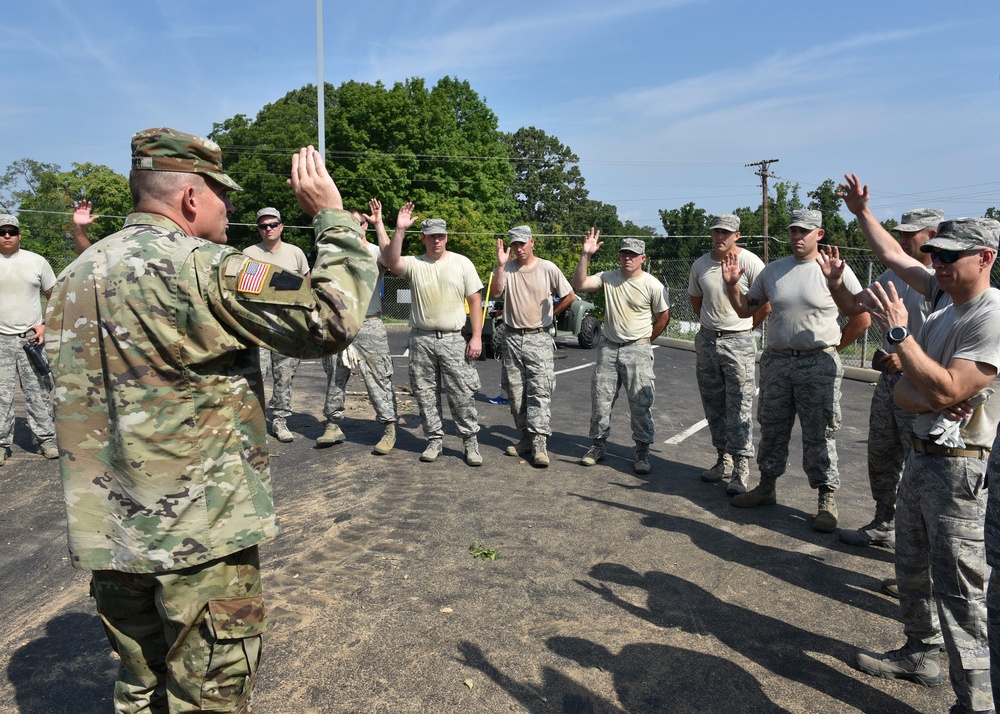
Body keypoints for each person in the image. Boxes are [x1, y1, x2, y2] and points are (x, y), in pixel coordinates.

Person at [45, 128, 376, 712]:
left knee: (138, 690)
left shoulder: (76, 274)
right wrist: (334, 220)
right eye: (224, 196)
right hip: (197, 540)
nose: (232, 211)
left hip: (112, 536)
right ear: (191, 199)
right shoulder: (208, 268)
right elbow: (330, 318)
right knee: (207, 697)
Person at [833, 175, 999, 714]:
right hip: (924, 461)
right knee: (912, 571)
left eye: (953, 256)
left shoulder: (990, 314)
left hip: (960, 469)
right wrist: (862, 213)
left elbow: (947, 386)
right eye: (937, 254)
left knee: (961, 595)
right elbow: (908, 394)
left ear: (986, 257)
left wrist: (906, 342)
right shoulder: (943, 302)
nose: (939, 263)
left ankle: (976, 703)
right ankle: (919, 654)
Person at [721, 208, 871, 532]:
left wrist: (831, 349)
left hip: (818, 363)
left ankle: (826, 499)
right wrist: (733, 287)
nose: (797, 236)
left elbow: (862, 318)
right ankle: (766, 487)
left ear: (819, 234)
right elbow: (745, 310)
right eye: (793, 231)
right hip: (777, 361)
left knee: (820, 432)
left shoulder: (833, 270)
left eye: (804, 231)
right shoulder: (774, 270)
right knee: (772, 427)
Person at [822, 209, 947, 550]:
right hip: (890, 383)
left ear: (932, 235)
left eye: (911, 234)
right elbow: (853, 307)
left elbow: (950, 346)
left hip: (925, 386)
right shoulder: (892, 274)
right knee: (881, 455)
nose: (903, 239)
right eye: (900, 234)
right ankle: (885, 523)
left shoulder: (941, 282)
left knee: (920, 467)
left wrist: (908, 357)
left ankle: (919, 545)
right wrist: (834, 283)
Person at [381, 205, 484, 465]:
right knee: (425, 394)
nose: (436, 240)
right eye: (431, 236)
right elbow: (391, 262)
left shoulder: (462, 263)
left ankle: (470, 442)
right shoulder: (415, 264)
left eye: (440, 236)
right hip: (421, 339)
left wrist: (476, 336)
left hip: (452, 339)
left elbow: (475, 301)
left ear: (446, 237)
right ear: (423, 238)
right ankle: (434, 440)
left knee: (461, 394)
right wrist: (400, 230)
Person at [572, 230, 670, 474]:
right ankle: (597, 446)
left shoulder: (652, 285)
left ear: (643, 259)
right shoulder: (607, 277)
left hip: (637, 349)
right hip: (608, 349)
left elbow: (663, 317)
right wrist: (585, 255)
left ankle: (642, 452)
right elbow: (579, 284)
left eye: (633, 254)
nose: (628, 258)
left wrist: (645, 341)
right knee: (601, 401)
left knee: (640, 403)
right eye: (624, 253)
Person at [688, 214, 769, 494]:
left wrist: (743, 329)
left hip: (739, 342)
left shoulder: (750, 263)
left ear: (737, 235)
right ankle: (721, 460)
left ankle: (740, 469)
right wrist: (712, 329)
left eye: (726, 233)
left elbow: (764, 306)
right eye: (715, 232)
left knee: (740, 407)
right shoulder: (701, 264)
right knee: (713, 404)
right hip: (708, 341)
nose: (719, 237)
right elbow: (697, 301)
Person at [318, 199, 399, 454]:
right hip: (339, 323)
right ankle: (332, 424)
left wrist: (380, 224)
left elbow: (390, 258)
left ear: (365, 226)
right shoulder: (336, 253)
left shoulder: (375, 251)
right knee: (334, 376)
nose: (355, 228)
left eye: (359, 223)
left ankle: (389, 428)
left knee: (378, 378)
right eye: (350, 223)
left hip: (369, 324)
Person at [492, 225, 576, 467]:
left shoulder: (547, 268)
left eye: (522, 243)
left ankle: (540, 444)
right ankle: (526, 438)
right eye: (514, 244)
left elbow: (569, 295)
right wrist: (499, 265)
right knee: (515, 394)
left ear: (532, 242)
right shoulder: (506, 268)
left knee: (539, 391)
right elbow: (498, 291)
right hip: (511, 337)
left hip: (538, 337)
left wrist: (550, 317)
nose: (518, 248)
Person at [243, 207, 311, 442]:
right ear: (259, 230)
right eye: (263, 226)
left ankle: (280, 422)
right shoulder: (249, 253)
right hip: (259, 327)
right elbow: (244, 290)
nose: (268, 229)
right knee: (255, 377)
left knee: (284, 378)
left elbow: (306, 288)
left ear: (281, 226)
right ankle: (256, 422)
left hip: (287, 328)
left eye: (273, 224)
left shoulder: (295, 253)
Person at [0, 213, 58, 464]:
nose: (7, 236)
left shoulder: (37, 262)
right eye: (2, 232)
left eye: (12, 231)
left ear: (19, 235)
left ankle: (46, 440)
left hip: (30, 340)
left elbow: (53, 296)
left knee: (38, 392)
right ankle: (1, 444)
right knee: (1, 396)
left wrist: (44, 325)